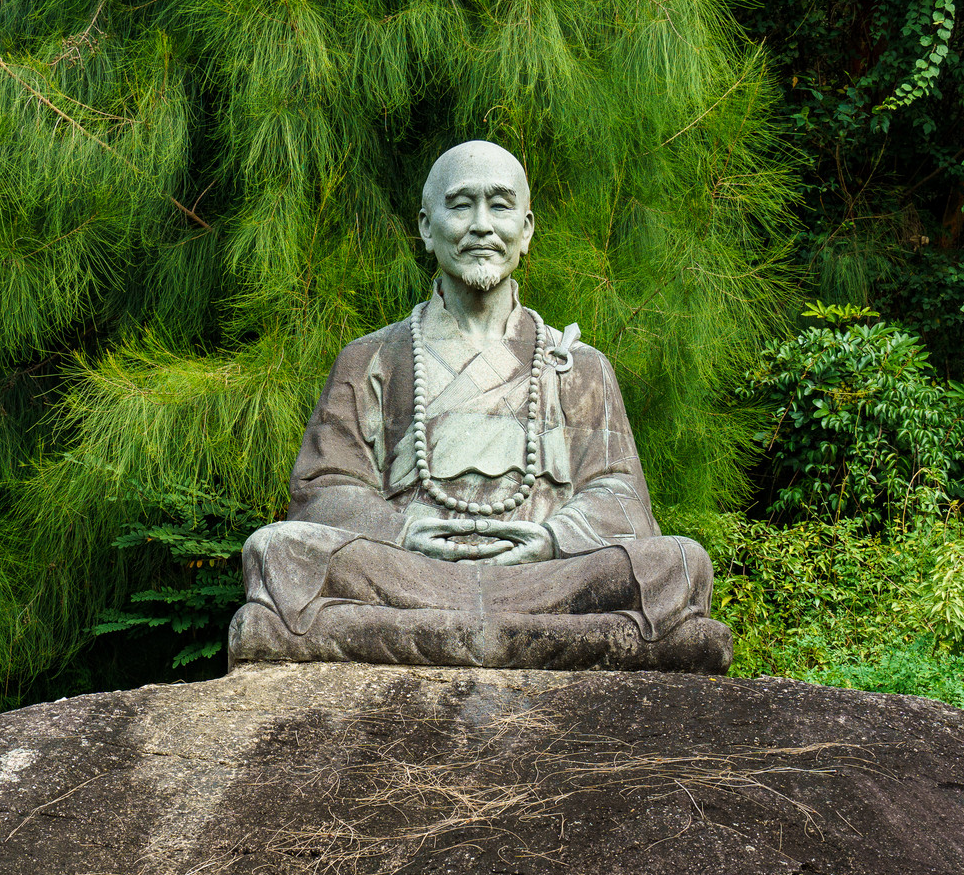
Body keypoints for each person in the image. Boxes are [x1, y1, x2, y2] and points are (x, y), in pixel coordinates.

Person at [227, 140, 731, 672]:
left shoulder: (580, 366)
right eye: (461, 204)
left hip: (543, 579)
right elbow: (323, 493)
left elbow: (621, 497)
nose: (481, 225)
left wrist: (551, 539)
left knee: (677, 563)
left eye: (500, 205)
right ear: (426, 226)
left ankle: (398, 636)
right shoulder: (372, 358)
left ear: (527, 230)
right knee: (277, 550)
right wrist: (401, 531)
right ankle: (545, 641)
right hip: (412, 573)